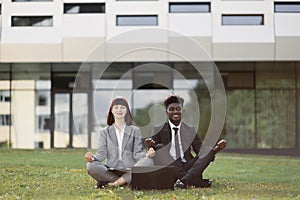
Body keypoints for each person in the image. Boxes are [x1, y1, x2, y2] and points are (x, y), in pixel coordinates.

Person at [149, 94, 227, 188]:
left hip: (187, 165)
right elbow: (153, 148)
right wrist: (150, 146)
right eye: (172, 109)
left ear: (183, 111)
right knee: (159, 147)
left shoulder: (190, 130)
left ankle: (184, 181)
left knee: (207, 151)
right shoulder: (158, 129)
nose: (175, 112)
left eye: (178, 109)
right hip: (169, 166)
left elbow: (200, 150)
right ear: (166, 112)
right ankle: (194, 181)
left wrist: (215, 149)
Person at [84, 96, 155, 188]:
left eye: (122, 107)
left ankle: (115, 183)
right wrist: (92, 158)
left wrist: (147, 155)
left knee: (148, 161)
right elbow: (101, 154)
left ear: (126, 111)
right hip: (111, 169)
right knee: (91, 166)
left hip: (130, 169)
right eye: (116, 107)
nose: (119, 110)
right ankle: (125, 181)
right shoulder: (104, 132)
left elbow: (137, 154)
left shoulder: (135, 130)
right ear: (111, 111)